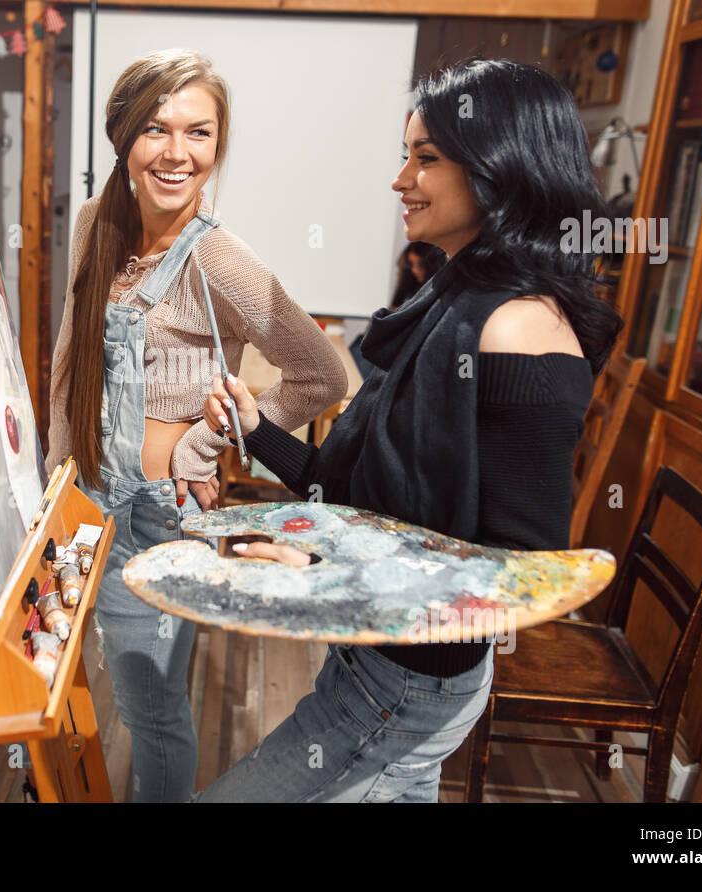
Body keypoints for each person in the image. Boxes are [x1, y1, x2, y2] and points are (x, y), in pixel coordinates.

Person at [197, 58, 622, 802]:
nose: (401, 180)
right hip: (385, 668)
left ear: (499, 169)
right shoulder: (455, 299)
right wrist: (257, 426)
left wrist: (337, 573)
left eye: (426, 159)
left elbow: (516, 576)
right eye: (405, 155)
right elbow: (350, 492)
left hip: (407, 686)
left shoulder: (519, 330)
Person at [46, 49, 346, 802]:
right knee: (64, 686)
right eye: (155, 129)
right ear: (122, 137)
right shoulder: (93, 225)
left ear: (218, 144)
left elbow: (323, 376)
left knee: (152, 715)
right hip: (81, 501)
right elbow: (65, 366)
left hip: (158, 521)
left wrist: (206, 445)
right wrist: (49, 491)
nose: (178, 153)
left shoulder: (218, 257)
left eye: (199, 133)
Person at [389, 241, 448, 309]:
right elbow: (392, 309)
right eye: (411, 264)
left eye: (420, 264)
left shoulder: (442, 295)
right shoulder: (408, 280)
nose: (415, 270)